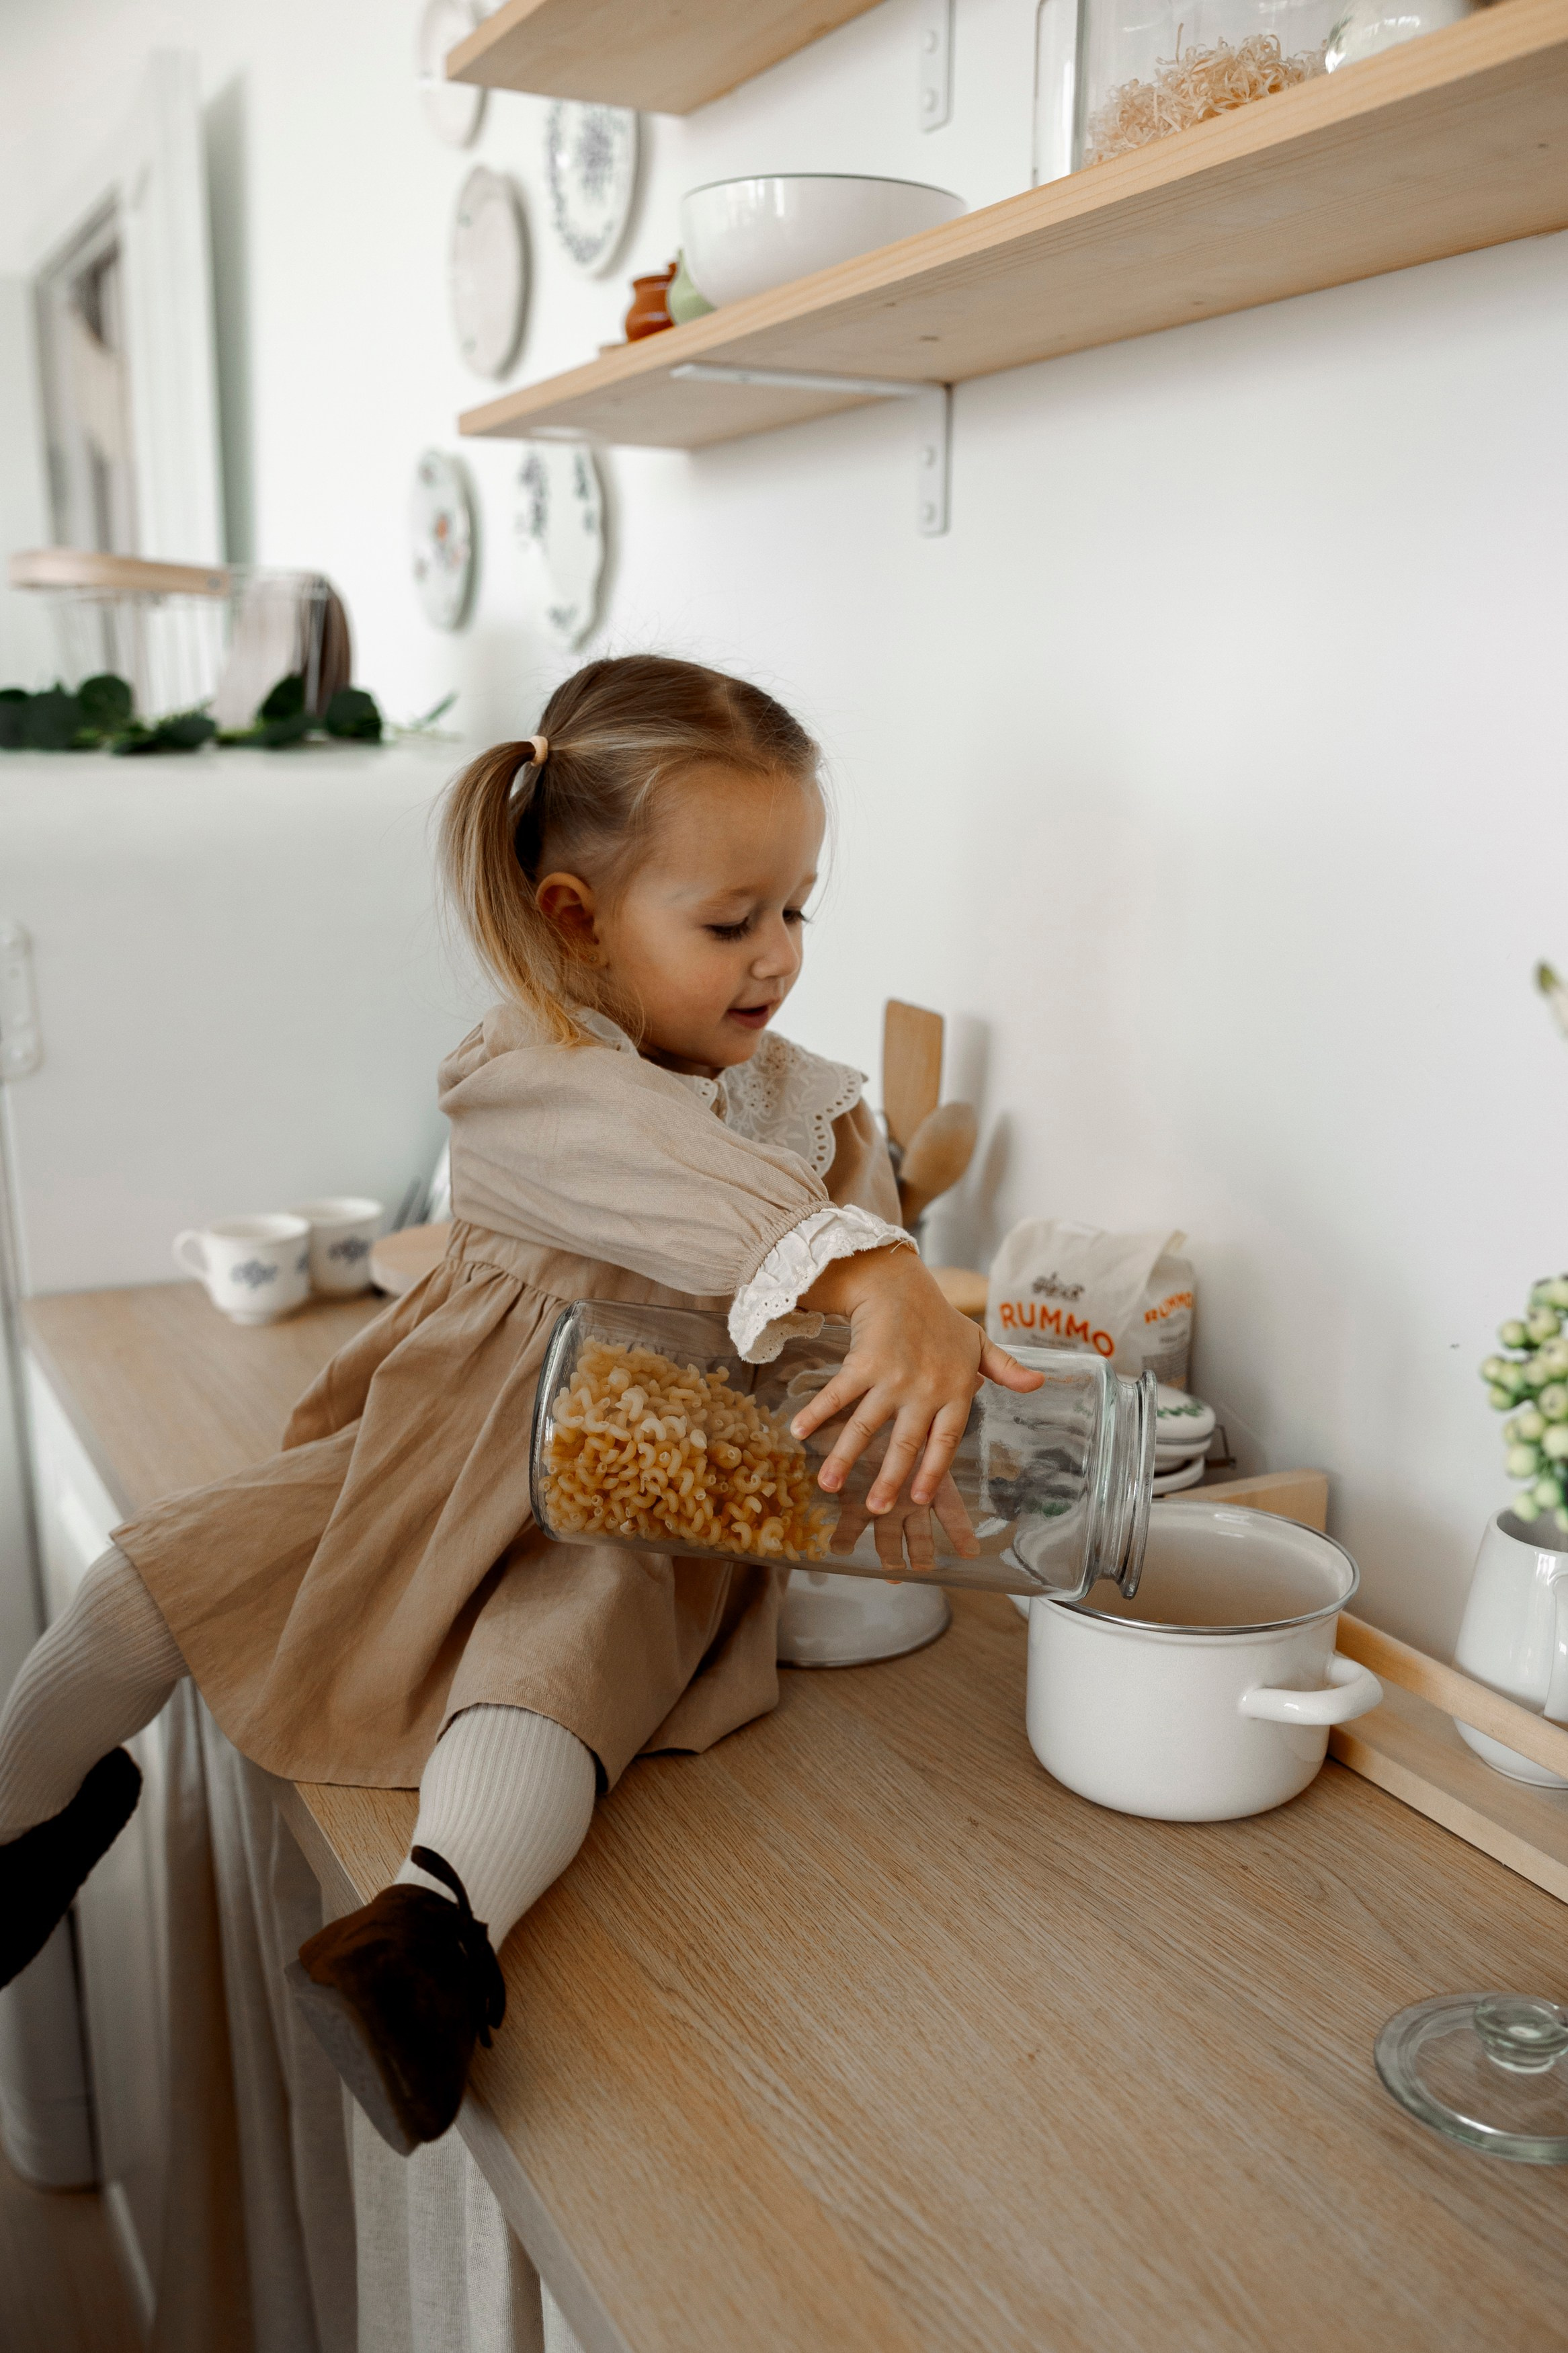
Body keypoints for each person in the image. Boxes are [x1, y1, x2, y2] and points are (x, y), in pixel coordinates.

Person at [0, 655, 1037, 2155]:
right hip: (433, 1460)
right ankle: (18, 1819)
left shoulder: (820, 1111)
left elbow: (841, 1345)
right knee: (158, 1567)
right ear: (578, 917)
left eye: (799, 907)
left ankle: (426, 1938)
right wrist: (875, 1278)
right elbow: (681, 1184)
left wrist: (892, 1397)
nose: (779, 956)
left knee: (562, 1659)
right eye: (732, 921)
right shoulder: (530, 1067)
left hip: (652, 1483)